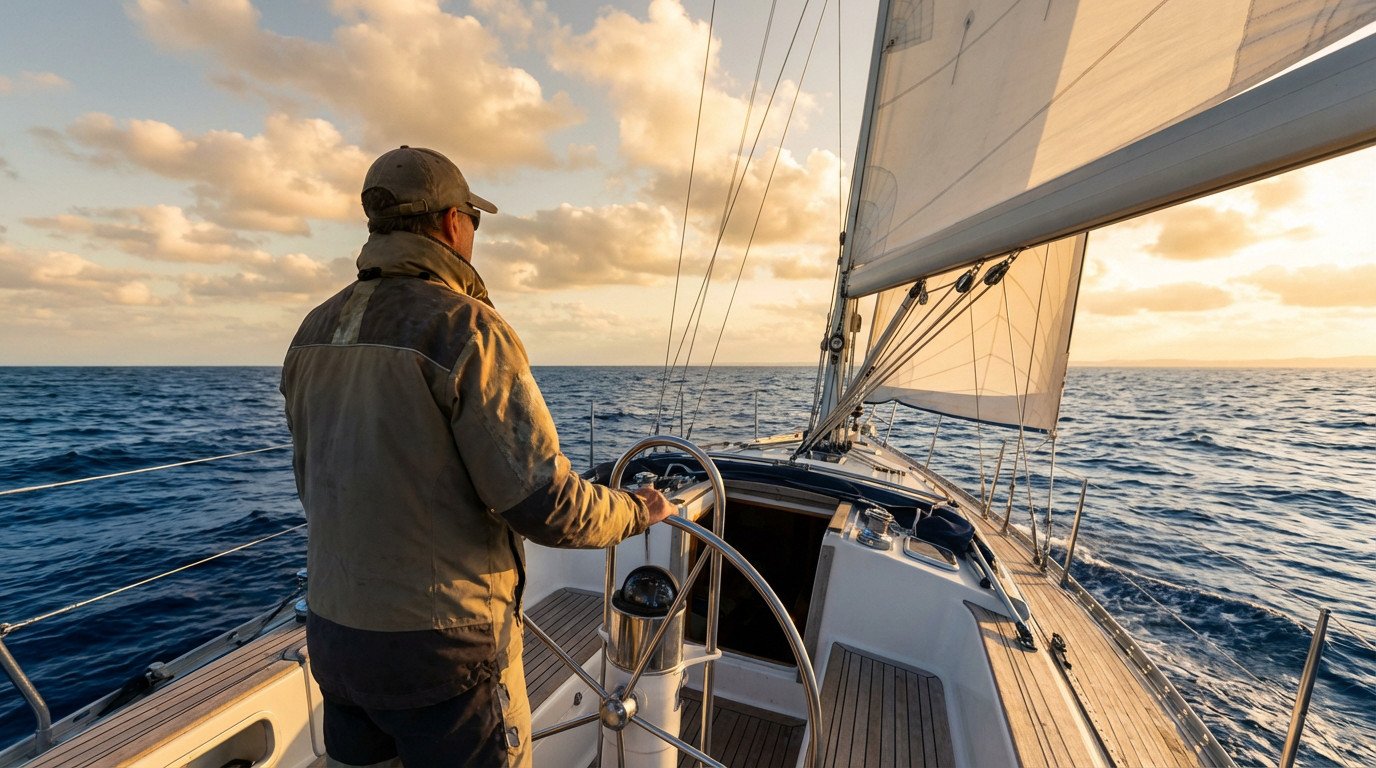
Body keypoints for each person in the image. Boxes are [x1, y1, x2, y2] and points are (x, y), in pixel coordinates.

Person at [281, 145, 674, 768]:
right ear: (449, 224)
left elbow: (318, 484)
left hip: (338, 641)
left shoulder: (312, 332)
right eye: (473, 220)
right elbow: (546, 505)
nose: (473, 235)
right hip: (444, 657)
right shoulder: (467, 330)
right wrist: (636, 511)